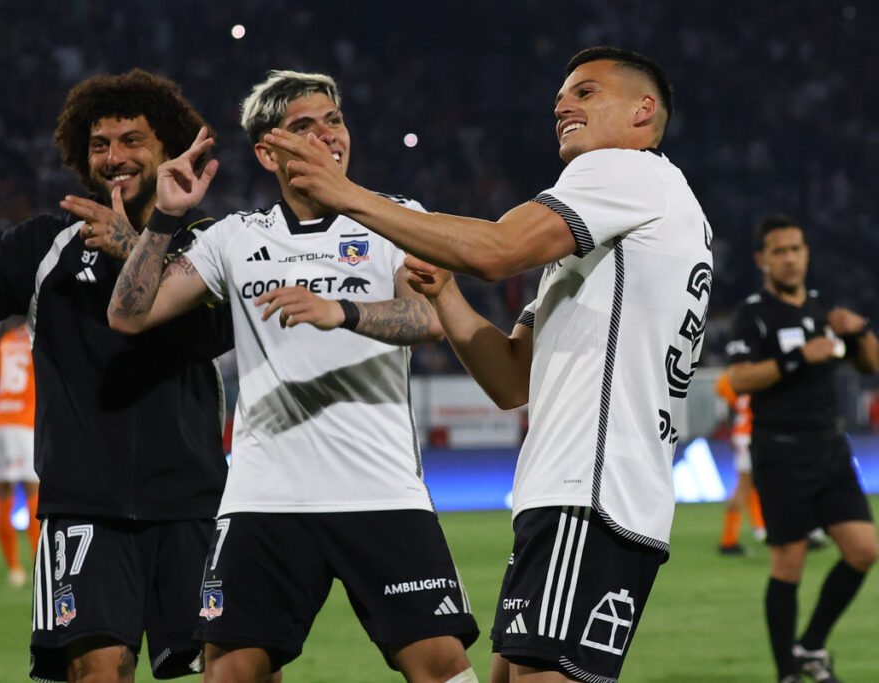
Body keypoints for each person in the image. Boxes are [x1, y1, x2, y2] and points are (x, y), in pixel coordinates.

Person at [262, 46, 710, 683]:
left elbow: (500, 249)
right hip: (577, 493)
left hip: (590, 492)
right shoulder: (609, 239)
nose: (562, 104)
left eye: (585, 92)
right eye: (561, 95)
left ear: (644, 112)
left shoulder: (624, 172)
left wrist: (345, 194)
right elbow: (510, 379)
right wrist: (445, 294)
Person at [108, 69, 479, 683]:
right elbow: (128, 314)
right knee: (228, 672)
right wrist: (166, 218)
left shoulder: (395, 218)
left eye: (333, 120)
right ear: (268, 151)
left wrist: (342, 312)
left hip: (379, 487)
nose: (326, 136)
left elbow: (428, 316)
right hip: (265, 495)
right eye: (304, 126)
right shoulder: (236, 237)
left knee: (439, 663)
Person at [0, 69, 233, 682]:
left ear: (165, 146)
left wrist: (138, 244)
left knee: (235, 671)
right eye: (99, 144)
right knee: (97, 673)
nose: (114, 157)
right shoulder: (46, 245)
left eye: (131, 140)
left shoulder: (209, 241)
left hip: (191, 502)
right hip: (85, 508)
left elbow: (211, 336)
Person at [725, 214, 879, 683]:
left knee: (864, 550)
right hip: (780, 451)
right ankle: (787, 671)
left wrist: (859, 331)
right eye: (779, 251)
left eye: (796, 248)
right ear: (762, 260)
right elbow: (738, 378)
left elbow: (870, 365)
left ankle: (811, 645)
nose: (790, 258)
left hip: (830, 448)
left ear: (806, 253)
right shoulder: (752, 314)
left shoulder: (824, 305)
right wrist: (796, 357)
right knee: (788, 563)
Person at [0, 316, 41, 587]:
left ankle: (14, 569)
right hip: (24, 423)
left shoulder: (5, 341)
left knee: (3, 495)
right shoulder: (36, 337)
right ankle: (40, 565)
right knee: (35, 492)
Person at [715, 370, 767, 555]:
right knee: (744, 487)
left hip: (744, 434)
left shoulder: (742, 385)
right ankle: (728, 541)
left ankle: (760, 528)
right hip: (751, 436)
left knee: (751, 485)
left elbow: (721, 386)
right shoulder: (760, 380)